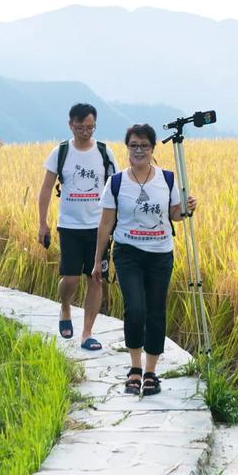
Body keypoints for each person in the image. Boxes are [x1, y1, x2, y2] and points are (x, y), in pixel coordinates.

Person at [93, 123, 196, 396]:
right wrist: (97, 260)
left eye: (144, 146)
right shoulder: (116, 182)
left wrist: (185, 208)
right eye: (134, 146)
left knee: (155, 311)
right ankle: (135, 368)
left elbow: (173, 214)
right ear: (127, 148)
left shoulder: (168, 179)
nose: (139, 150)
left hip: (161, 254)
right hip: (128, 253)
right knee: (135, 308)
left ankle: (151, 372)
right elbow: (105, 224)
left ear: (152, 149)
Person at [38, 103, 117, 350]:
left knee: (96, 279)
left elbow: (117, 188)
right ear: (71, 125)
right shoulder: (60, 152)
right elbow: (46, 189)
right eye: (81, 127)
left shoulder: (105, 153)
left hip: (99, 228)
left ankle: (87, 333)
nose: (86, 131)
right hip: (70, 226)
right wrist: (43, 224)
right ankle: (65, 307)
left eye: (91, 126)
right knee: (70, 279)